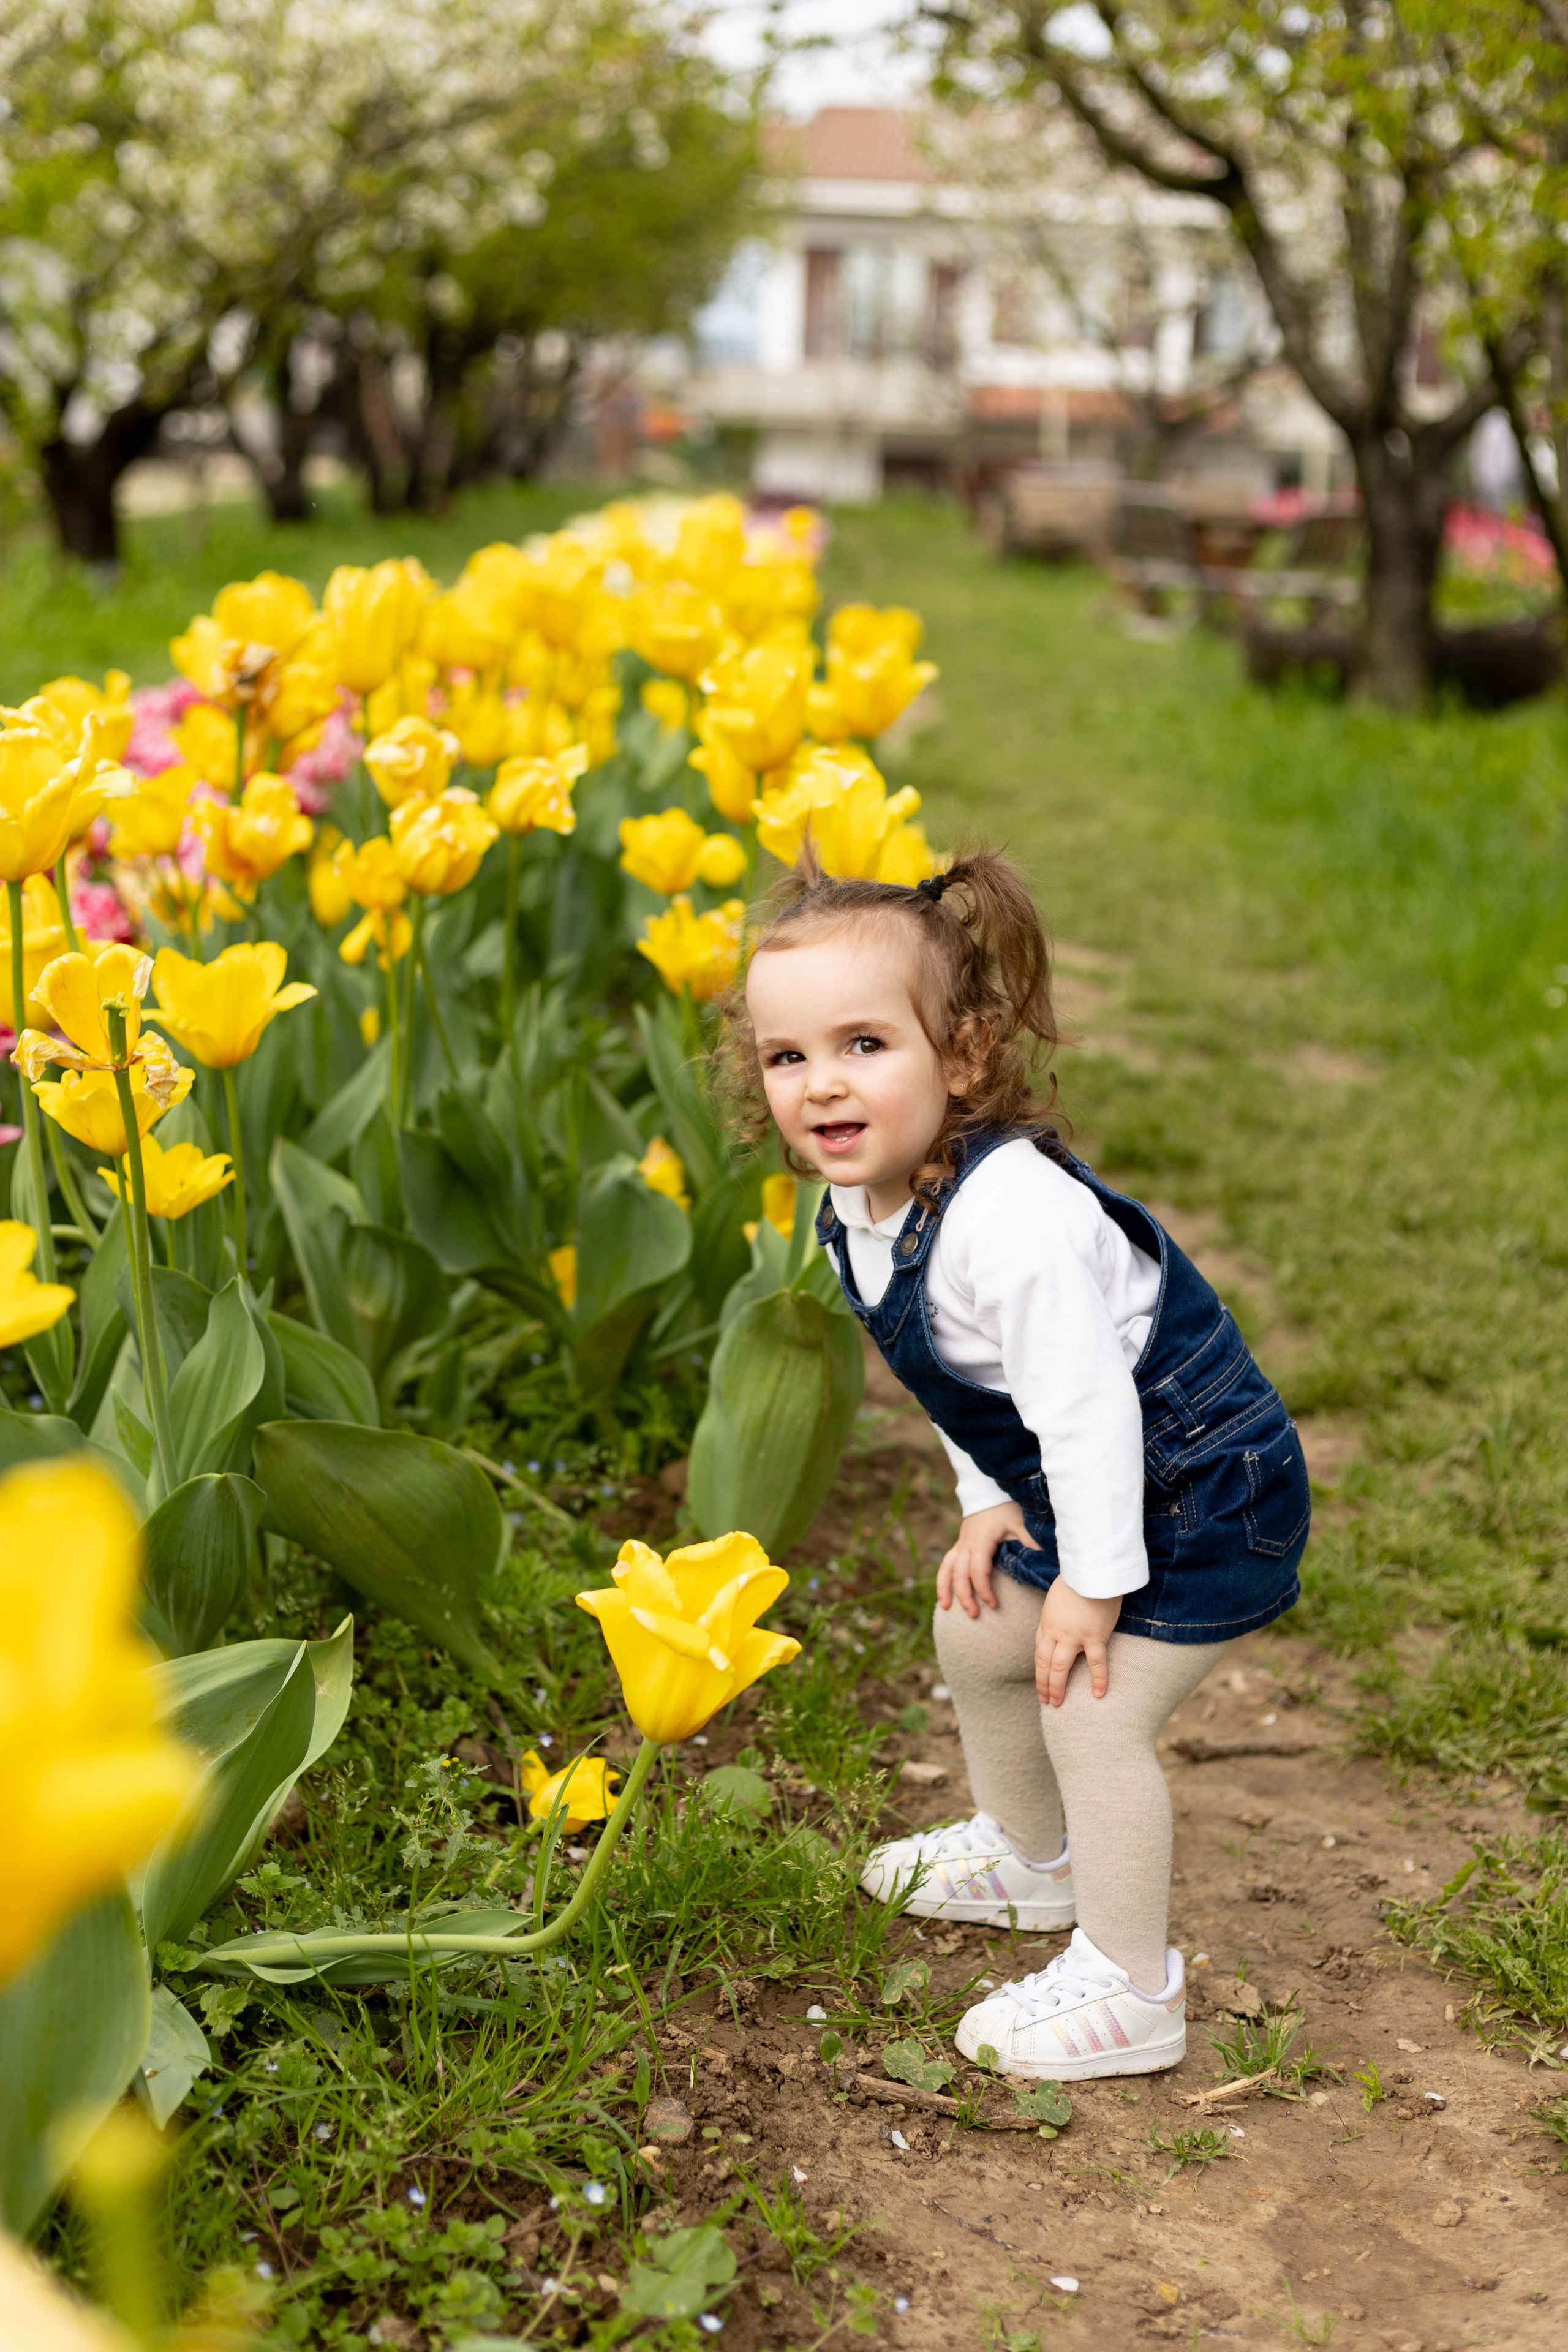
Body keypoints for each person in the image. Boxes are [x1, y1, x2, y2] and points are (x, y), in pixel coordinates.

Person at [731, 845, 1310, 2080]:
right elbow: (957, 1379)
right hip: (1090, 1486)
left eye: (862, 1045)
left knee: (1089, 1708)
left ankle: (1128, 1985)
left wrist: (1093, 1587)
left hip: (1204, 1494)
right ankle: (1028, 1856)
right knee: (985, 1622)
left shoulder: (1012, 1220)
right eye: (788, 1057)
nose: (821, 1085)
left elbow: (1088, 1405)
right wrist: (989, 1504)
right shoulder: (862, 1208)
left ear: (961, 1057)